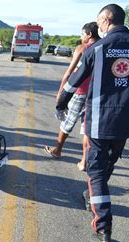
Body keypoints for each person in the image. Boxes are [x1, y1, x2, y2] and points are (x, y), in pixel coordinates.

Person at [56, 4, 129, 242]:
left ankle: (103, 226)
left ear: (107, 20)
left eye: (99, 22)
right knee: (107, 164)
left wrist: (60, 104)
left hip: (98, 121)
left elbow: (74, 81)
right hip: (126, 122)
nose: (97, 27)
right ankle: (94, 198)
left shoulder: (97, 48)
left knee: (96, 173)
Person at [44, 22, 100, 171]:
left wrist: (61, 91)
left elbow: (69, 72)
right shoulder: (103, 48)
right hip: (96, 93)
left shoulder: (82, 48)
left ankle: (57, 150)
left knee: (67, 122)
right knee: (87, 128)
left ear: (88, 34)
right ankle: (84, 162)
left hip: (79, 91)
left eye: (82, 34)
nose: (81, 37)